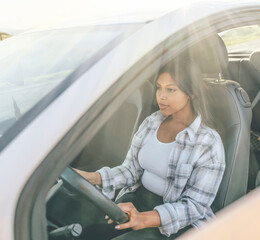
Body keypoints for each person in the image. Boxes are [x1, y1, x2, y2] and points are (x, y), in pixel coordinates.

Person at [75, 56, 225, 239]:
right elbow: (131, 170)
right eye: (158, 87)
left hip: (178, 224)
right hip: (135, 201)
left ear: (191, 93)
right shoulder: (152, 122)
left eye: (170, 90)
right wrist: (92, 178)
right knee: (86, 233)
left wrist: (144, 219)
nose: (161, 96)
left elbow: (194, 206)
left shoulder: (208, 143)